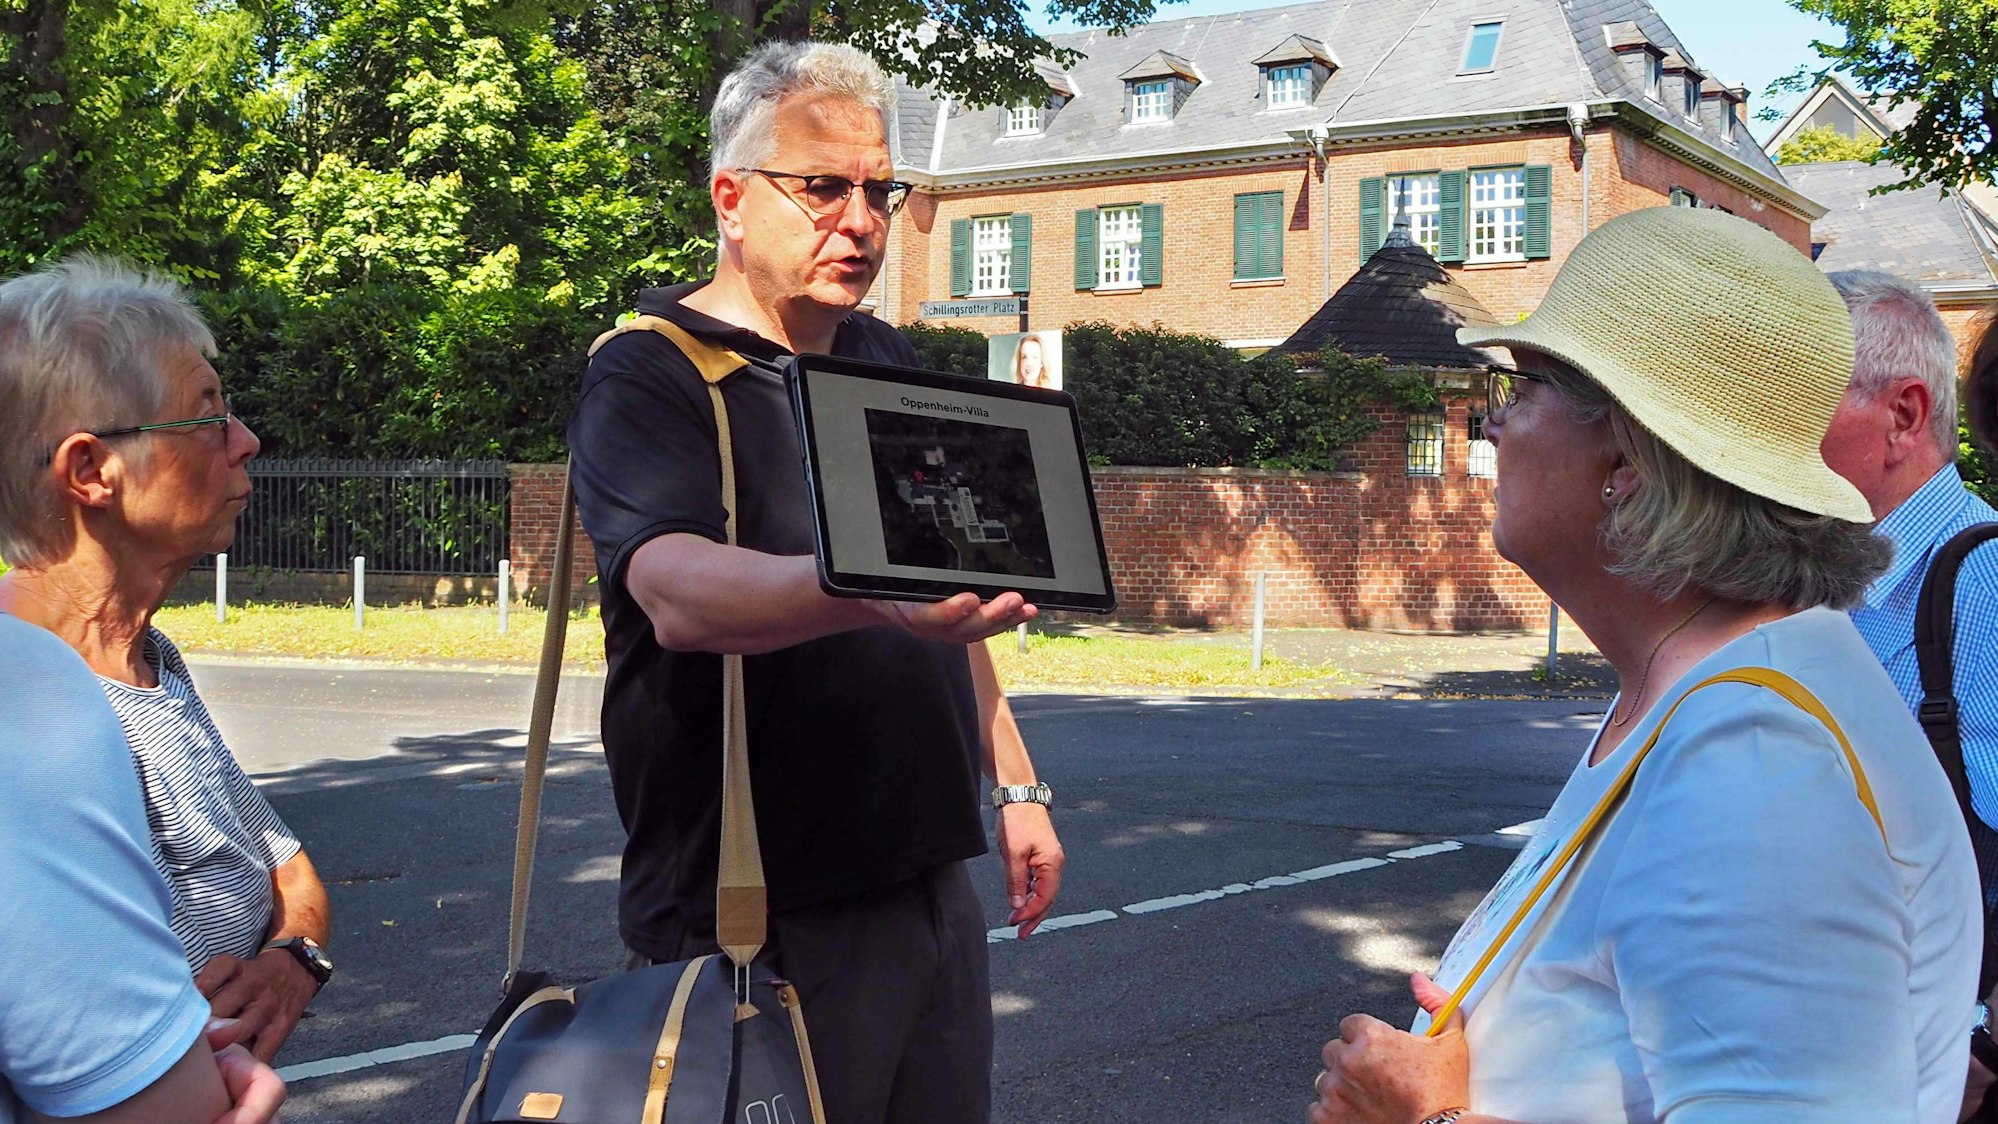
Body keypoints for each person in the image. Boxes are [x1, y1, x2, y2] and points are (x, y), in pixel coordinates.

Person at [1309, 207, 1980, 1124]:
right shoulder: (1708, 683)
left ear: (1624, 456)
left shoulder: (1755, 759)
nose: (1494, 428)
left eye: (1523, 389)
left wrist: (1431, 1117)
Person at [568, 40, 1062, 1124]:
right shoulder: (647, 369)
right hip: (757, 913)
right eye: (825, 187)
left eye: (879, 190)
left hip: (930, 882)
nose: (863, 220)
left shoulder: (882, 360)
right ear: (733, 199)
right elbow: (677, 592)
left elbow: (953, 596)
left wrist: (1017, 785)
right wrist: (870, 589)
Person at [0, 256, 333, 1064]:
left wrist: (295, 961)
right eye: (206, 416)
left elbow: (289, 868)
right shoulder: (26, 713)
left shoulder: (150, 656)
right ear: (91, 471)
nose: (246, 442)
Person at [1821, 270, 1998, 1119]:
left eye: (1800, 396)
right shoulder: (1818, 588)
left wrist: (1975, 1039)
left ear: (1902, 415)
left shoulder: (1985, 584)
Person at [1, 611, 286, 1124]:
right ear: (91, 522)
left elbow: (281, 855)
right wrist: (179, 1054)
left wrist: (298, 957)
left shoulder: (153, 655)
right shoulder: (27, 675)